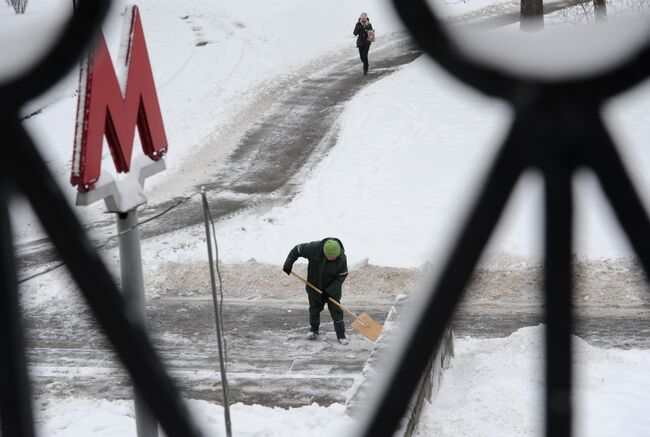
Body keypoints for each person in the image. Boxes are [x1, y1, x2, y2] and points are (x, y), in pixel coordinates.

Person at [283, 238, 349, 344]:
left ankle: (341, 335)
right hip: (314, 285)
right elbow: (297, 249)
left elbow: (342, 275)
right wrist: (288, 264)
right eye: (331, 257)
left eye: (335, 257)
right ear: (324, 253)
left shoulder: (341, 257)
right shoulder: (313, 249)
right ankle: (314, 330)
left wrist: (330, 291)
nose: (333, 258)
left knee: (336, 310)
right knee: (314, 308)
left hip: (333, 289)